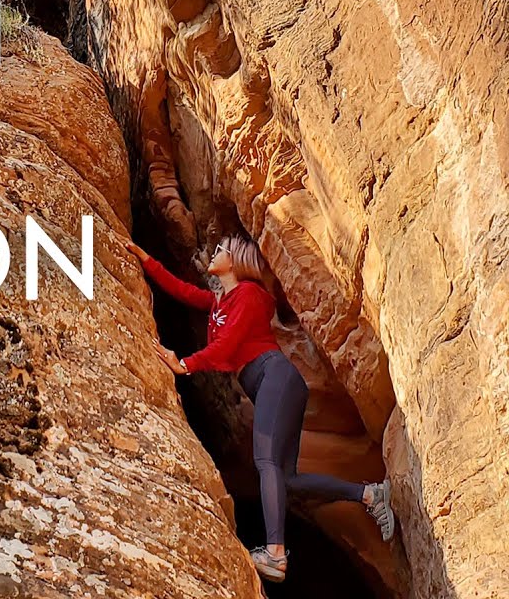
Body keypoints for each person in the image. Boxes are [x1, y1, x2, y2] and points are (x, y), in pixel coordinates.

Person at [125, 235, 396, 583]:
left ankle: (275, 555)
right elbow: (182, 291)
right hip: (271, 384)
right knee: (288, 479)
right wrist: (145, 257)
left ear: (235, 263)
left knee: (265, 461)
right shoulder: (220, 302)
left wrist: (186, 364)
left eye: (222, 250)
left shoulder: (250, 295)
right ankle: (371, 494)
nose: (215, 253)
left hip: (275, 377)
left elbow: (229, 343)